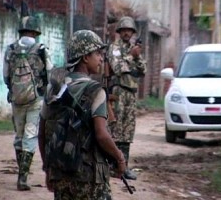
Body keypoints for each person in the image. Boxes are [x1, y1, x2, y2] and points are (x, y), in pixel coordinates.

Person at [38, 30, 126, 199]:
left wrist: (48, 169)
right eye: (98, 53)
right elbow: (102, 135)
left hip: (61, 174)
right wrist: (120, 158)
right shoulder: (95, 90)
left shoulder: (54, 89)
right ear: (85, 57)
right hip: (89, 178)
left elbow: (42, 133)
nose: (101, 59)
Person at [3, 16, 53, 191]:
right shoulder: (41, 49)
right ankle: (22, 177)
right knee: (30, 135)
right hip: (36, 99)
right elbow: (50, 73)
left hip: (16, 99)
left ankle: (21, 169)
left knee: (19, 135)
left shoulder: (10, 49)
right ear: (35, 32)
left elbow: (6, 76)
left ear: (21, 31)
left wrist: (13, 89)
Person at [106, 16, 147, 180]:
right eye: (124, 30)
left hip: (131, 92)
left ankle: (123, 167)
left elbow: (142, 71)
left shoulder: (133, 48)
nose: (127, 33)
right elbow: (117, 68)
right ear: (119, 31)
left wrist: (137, 56)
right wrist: (131, 56)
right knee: (115, 130)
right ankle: (112, 165)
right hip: (118, 92)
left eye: (130, 30)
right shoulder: (114, 48)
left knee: (128, 132)